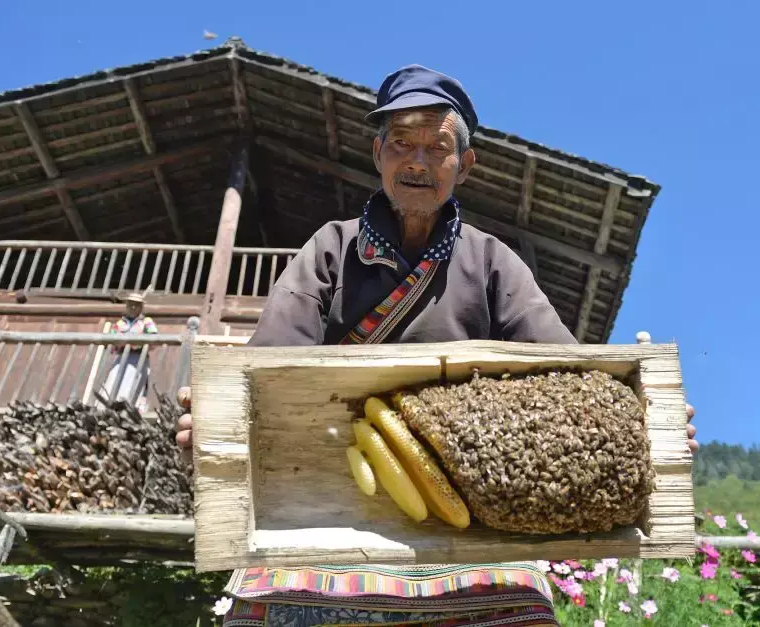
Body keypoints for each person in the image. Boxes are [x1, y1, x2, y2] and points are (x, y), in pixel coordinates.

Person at [175, 64, 698, 627]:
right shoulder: (331, 248)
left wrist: (643, 428)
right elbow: (267, 365)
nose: (417, 162)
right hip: (324, 499)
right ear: (378, 155)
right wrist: (215, 425)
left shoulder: (493, 261)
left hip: (470, 515)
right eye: (401, 143)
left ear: (464, 165)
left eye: (437, 147)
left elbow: (569, 378)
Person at [100, 292, 158, 410]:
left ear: (141, 307)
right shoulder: (120, 323)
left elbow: (153, 338)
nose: (133, 307)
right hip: (121, 358)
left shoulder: (146, 322)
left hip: (138, 359)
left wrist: (132, 343)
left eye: (136, 305)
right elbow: (110, 340)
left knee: (134, 385)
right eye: (130, 304)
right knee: (113, 382)